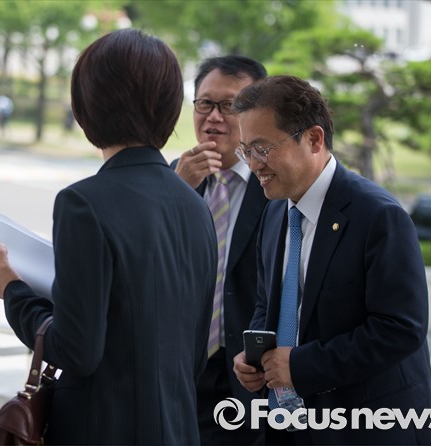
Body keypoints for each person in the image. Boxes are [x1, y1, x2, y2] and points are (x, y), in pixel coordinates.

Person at [0, 28, 217, 445]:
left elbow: (75, 350)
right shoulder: (195, 204)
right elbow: (194, 354)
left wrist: (11, 290)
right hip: (178, 427)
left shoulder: (83, 203)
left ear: (88, 103)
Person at [231, 75, 431, 445]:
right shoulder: (275, 212)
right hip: (289, 425)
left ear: (314, 139)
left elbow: (400, 329)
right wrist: (256, 359)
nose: (253, 165)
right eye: (246, 151)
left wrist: (300, 366)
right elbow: (269, 304)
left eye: (262, 149)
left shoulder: (378, 216)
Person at [171, 55, 267, 445]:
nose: (214, 117)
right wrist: (177, 191)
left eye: (229, 105)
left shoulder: (274, 182)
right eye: (205, 104)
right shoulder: (174, 176)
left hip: (249, 372)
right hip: (181, 367)